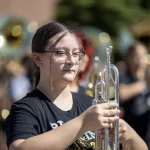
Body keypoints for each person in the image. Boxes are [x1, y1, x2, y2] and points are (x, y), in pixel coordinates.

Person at [5, 22, 148, 150]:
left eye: (76, 54)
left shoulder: (90, 103)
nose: (72, 61)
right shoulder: (26, 108)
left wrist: (128, 134)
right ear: (37, 59)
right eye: (61, 53)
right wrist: (83, 123)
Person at [119, 41, 150, 148]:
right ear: (128, 59)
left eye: (142, 56)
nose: (139, 60)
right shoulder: (124, 78)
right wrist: (145, 83)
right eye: (135, 57)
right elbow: (122, 93)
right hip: (131, 140)